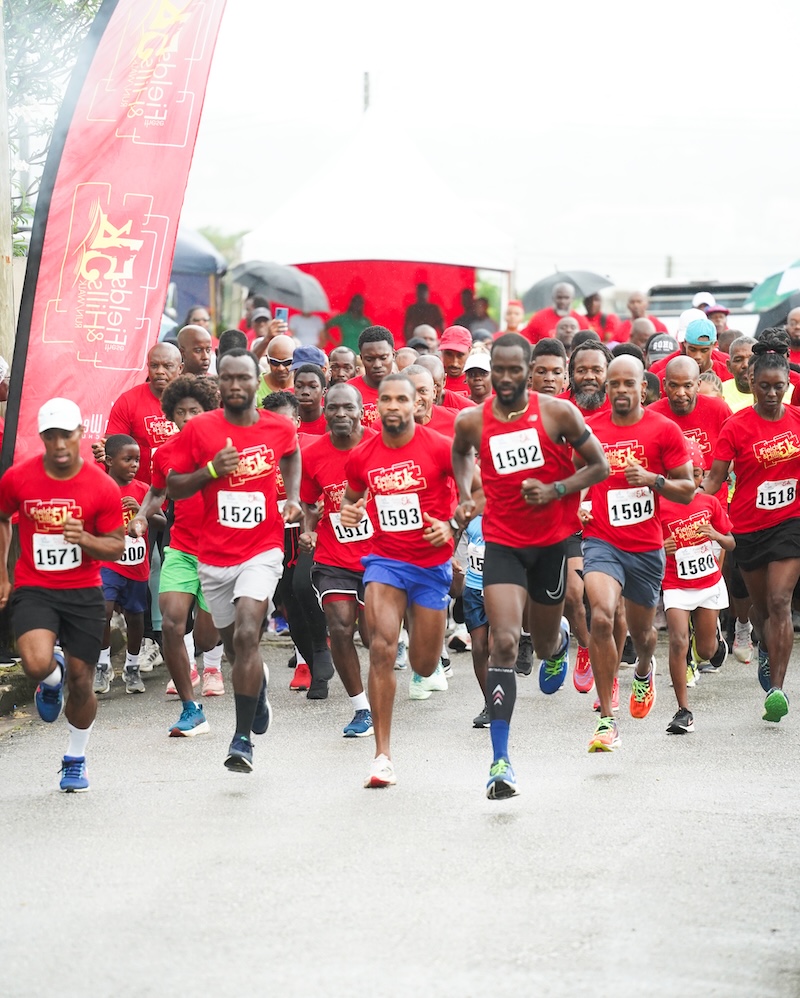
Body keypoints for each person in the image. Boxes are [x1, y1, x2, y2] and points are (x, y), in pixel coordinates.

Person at [452, 333, 610, 799]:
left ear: (529, 371)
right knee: (503, 641)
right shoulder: (471, 421)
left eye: (512, 370)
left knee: (541, 644)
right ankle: (500, 762)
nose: (503, 378)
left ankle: (560, 640)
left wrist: (558, 491)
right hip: (503, 542)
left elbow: (598, 466)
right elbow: (460, 453)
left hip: (552, 545)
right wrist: (466, 494)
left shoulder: (556, 413)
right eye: (496, 370)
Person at [167, 349, 302, 772]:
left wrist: (294, 498)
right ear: (219, 383)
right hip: (213, 556)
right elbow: (174, 487)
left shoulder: (277, 427)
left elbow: (292, 453)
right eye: (228, 379)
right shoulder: (201, 430)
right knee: (229, 646)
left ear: (254, 380)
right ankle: (255, 688)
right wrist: (209, 471)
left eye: (244, 378)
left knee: (248, 632)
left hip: (262, 550)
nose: (237, 385)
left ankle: (241, 739)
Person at [340, 373, 458, 789]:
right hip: (385, 561)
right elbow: (350, 498)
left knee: (424, 665)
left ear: (415, 405)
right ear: (378, 406)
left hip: (431, 567)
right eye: (385, 399)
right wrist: (350, 512)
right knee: (381, 647)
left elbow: (476, 492)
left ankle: (429, 654)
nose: (392, 406)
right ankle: (382, 755)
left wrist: (451, 524)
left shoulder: (441, 448)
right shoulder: (362, 455)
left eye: (401, 400)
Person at [0, 398, 124, 792]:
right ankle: (50, 680)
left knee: (83, 681)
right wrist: (2, 575)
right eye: (50, 437)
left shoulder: (101, 486)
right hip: (35, 588)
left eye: (66, 435)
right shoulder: (18, 478)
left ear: (79, 435)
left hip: (83, 592)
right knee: (37, 663)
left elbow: (116, 546)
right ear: (42, 438)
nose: (58, 445)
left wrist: (85, 539)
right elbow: (2, 516)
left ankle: (75, 757)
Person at [579, 356, 693, 753]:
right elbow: (573, 476)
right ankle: (607, 718)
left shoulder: (664, 430)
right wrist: (577, 502)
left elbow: (688, 489)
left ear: (643, 388)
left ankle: (644, 669)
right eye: (615, 384)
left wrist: (652, 479)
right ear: (606, 389)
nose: (622, 390)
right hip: (600, 540)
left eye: (630, 383)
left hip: (645, 546)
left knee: (645, 634)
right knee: (601, 615)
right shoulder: (589, 431)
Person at [702, 331, 800, 724]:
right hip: (746, 526)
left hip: (791, 523)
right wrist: (688, 503)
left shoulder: (798, 420)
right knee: (760, 608)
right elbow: (714, 481)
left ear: (788, 386)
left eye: (778, 387)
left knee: (780, 601)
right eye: (764, 387)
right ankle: (763, 647)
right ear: (752, 386)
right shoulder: (736, 426)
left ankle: (777, 690)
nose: (771, 394)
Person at [128, 375, 223, 736]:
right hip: (182, 548)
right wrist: (139, 516)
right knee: (171, 622)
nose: (187, 417)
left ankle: (214, 662)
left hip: (221, 552)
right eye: (180, 412)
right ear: (171, 414)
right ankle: (190, 708)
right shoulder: (165, 453)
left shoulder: (225, 447)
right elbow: (155, 493)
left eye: (194, 410)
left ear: (208, 410)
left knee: (205, 639)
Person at [299, 383, 375, 736]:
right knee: (340, 627)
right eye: (333, 408)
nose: (340, 414)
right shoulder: (313, 454)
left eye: (348, 407)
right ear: (324, 410)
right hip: (334, 557)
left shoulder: (379, 444)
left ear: (362, 410)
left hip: (381, 557)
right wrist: (309, 527)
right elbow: (309, 502)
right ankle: (361, 709)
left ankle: (383, 692)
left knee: (377, 636)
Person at [660, 441, 734, 734]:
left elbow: (730, 542)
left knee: (704, 651)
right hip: (676, 584)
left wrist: (715, 534)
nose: (688, 480)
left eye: (694, 474)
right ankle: (683, 711)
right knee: (678, 641)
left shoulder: (710, 503)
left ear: (702, 477)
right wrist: (659, 548)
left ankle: (714, 641)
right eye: (681, 474)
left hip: (708, 584)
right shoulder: (659, 505)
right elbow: (646, 544)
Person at [97, 435, 165, 695]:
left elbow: (163, 522)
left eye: (137, 459)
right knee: (102, 610)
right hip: (108, 564)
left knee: (136, 616)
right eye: (128, 459)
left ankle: (132, 666)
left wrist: (141, 511)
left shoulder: (143, 490)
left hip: (137, 566)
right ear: (110, 461)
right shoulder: (100, 487)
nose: (134, 464)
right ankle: (102, 666)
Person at [649, 356, 732, 504]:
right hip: (669, 504)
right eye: (674, 385)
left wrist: (719, 474)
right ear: (664, 385)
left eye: (687, 386)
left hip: (713, 501)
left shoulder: (718, 409)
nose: (680, 393)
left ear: (698, 385)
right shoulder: (652, 415)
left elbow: (736, 451)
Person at [100, 342, 182, 484]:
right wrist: (104, 450)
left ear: (180, 368)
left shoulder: (192, 401)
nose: (160, 371)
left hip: (183, 490)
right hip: (142, 494)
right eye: (154, 366)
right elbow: (113, 447)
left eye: (167, 366)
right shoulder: (128, 401)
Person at [348, 325, 395, 426]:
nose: (377, 365)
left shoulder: (408, 388)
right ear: (361, 358)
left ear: (393, 355)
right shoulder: (348, 391)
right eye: (370, 359)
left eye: (383, 358)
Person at [522, 283, 589, 344]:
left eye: (566, 297)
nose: (562, 301)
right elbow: (528, 342)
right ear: (553, 298)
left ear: (572, 299)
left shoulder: (581, 321)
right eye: (559, 297)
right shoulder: (539, 318)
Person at [255, 334, 295, 404]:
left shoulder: (302, 386)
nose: (281, 368)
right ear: (268, 360)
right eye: (275, 362)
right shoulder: (256, 386)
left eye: (287, 362)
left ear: (295, 360)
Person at [293, 363, 328, 436]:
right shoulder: (287, 421)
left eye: (313, 386)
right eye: (299, 386)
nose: (305, 392)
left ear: (324, 392)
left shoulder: (332, 422)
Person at [439, 325, 474, 396]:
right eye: (449, 354)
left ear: (469, 350)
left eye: (460, 355)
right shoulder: (430, 380)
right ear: (442, 352)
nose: (454, 363)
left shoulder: (480, 383)